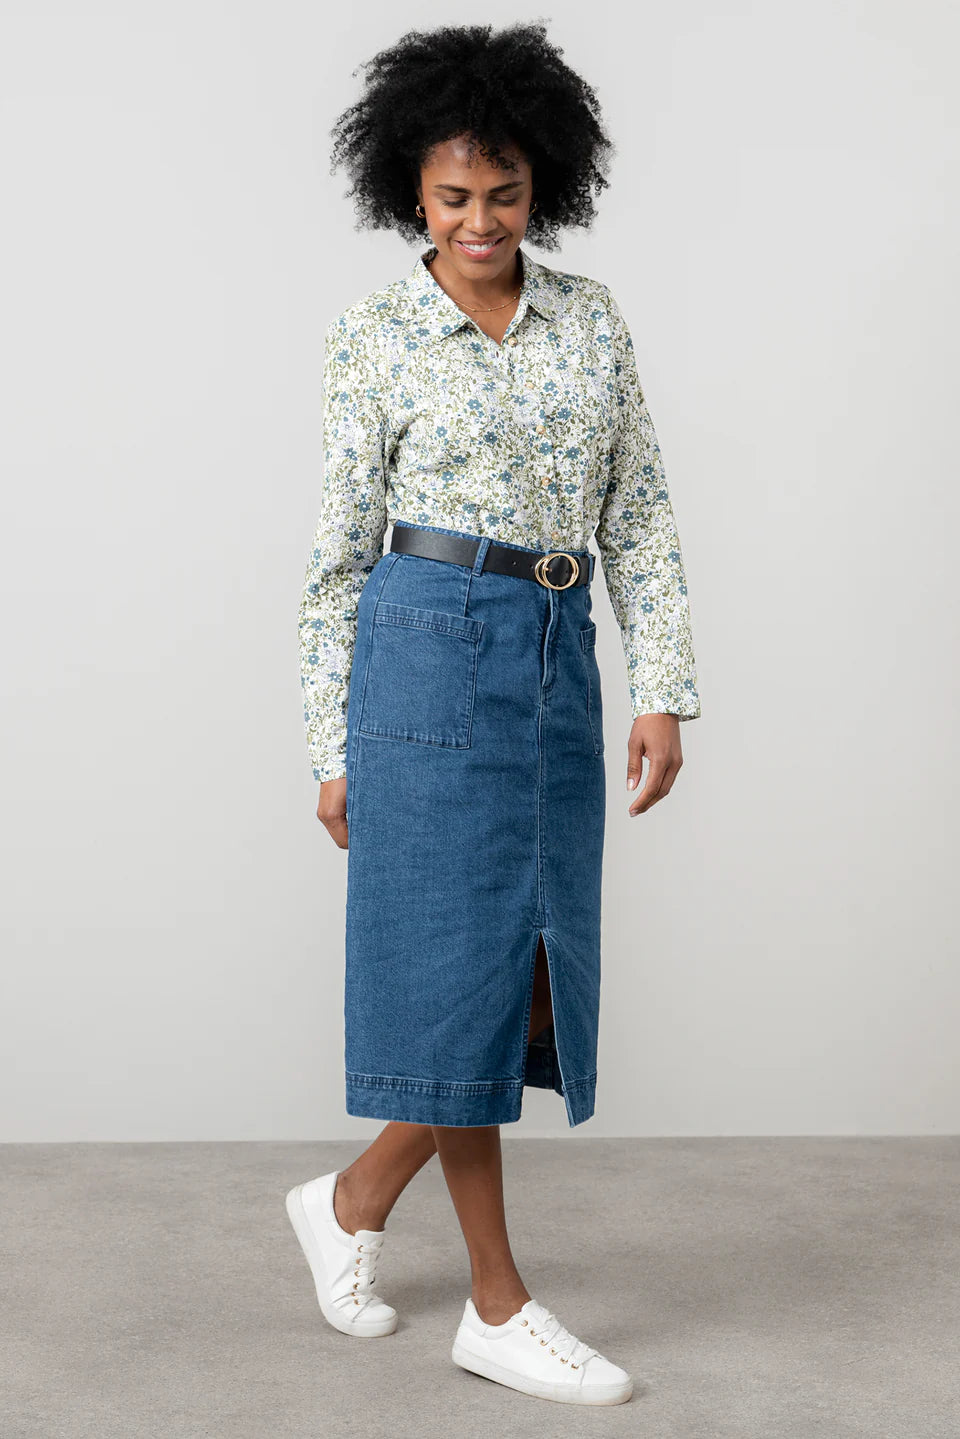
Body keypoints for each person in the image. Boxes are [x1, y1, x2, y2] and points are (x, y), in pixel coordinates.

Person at [289, 20, 700, 1407]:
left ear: (545, 187)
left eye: (506, 194)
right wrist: (332, 744)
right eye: (454, 196)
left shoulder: (593, 321)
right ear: (409, 190)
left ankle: (352, 1200)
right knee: (462, 971)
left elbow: (639, 513)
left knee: (524, 968)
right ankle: (497, 1302)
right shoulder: (373, 337)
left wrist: (664, 687)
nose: (480, 222)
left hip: (554, 656)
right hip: (420, 649)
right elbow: (336, 559)